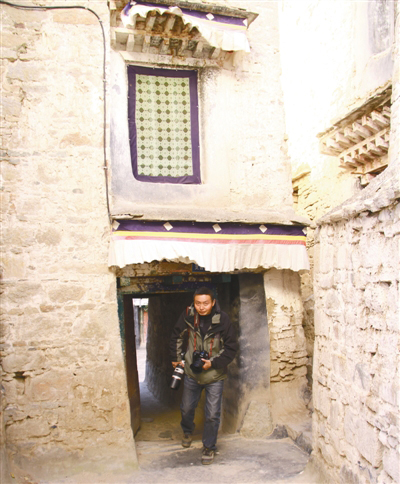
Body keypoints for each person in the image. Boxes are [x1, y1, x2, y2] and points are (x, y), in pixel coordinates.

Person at [169, 287, 238, 465]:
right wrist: (176, 358)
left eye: (205, 303)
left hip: (214, 375)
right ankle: (187, 431)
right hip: (191, 373)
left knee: (212, 414)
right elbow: (176, 335)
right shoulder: (188, 315)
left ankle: (209, 446)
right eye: (198, 303)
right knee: (186, 408)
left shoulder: (222, 319)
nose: (201, 307)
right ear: (194, 303)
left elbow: (231, 348)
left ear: (213, 302)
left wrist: (212, 363)